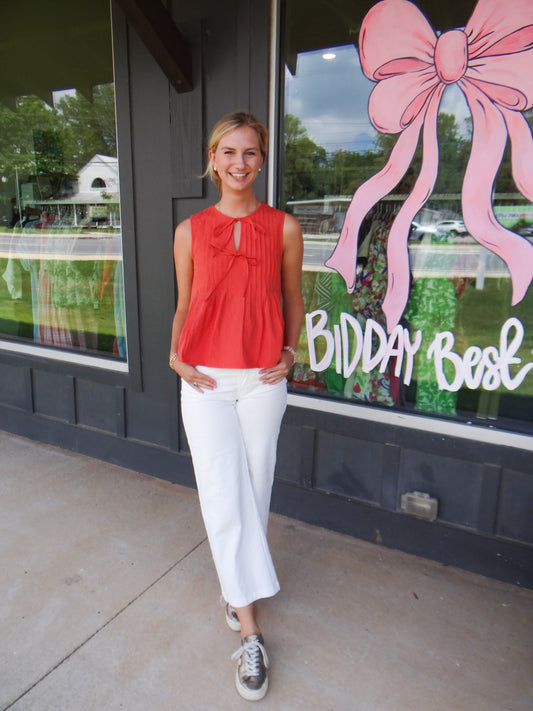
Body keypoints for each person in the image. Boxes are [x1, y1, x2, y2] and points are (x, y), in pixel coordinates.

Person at [169, 110, 304, 701]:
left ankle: (234, 587)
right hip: (204, 380)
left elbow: (294, 300)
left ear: (262, 159)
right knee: (222, 494)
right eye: (229, 152)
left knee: (256, 487)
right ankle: (250, 633)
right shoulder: (189, 229)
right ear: (212, 157)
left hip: (262, 378)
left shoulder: (286, 228)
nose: (239, 163)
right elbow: (184, 303)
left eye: (250, 153)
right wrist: (175, 352)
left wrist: (292, 352)